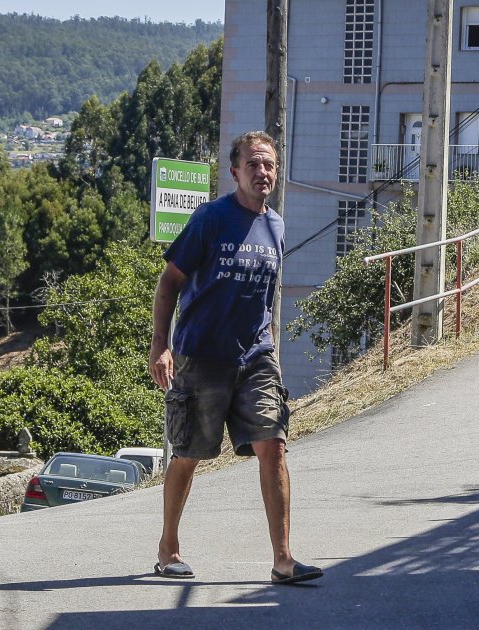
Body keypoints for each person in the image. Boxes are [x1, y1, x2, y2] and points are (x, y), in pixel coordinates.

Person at [148, 131, 323, 585]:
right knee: (188, 453)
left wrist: (267, 342)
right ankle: (168, 550)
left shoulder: (277, 226)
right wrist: (160, 345)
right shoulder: (210, 218)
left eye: (269, 165)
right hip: (201, 356)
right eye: (253, 164)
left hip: (256, 357)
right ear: (235, 172)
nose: (262, 172)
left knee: (274, 444)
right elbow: (169, 284)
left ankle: (283, 559)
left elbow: (265, 296)